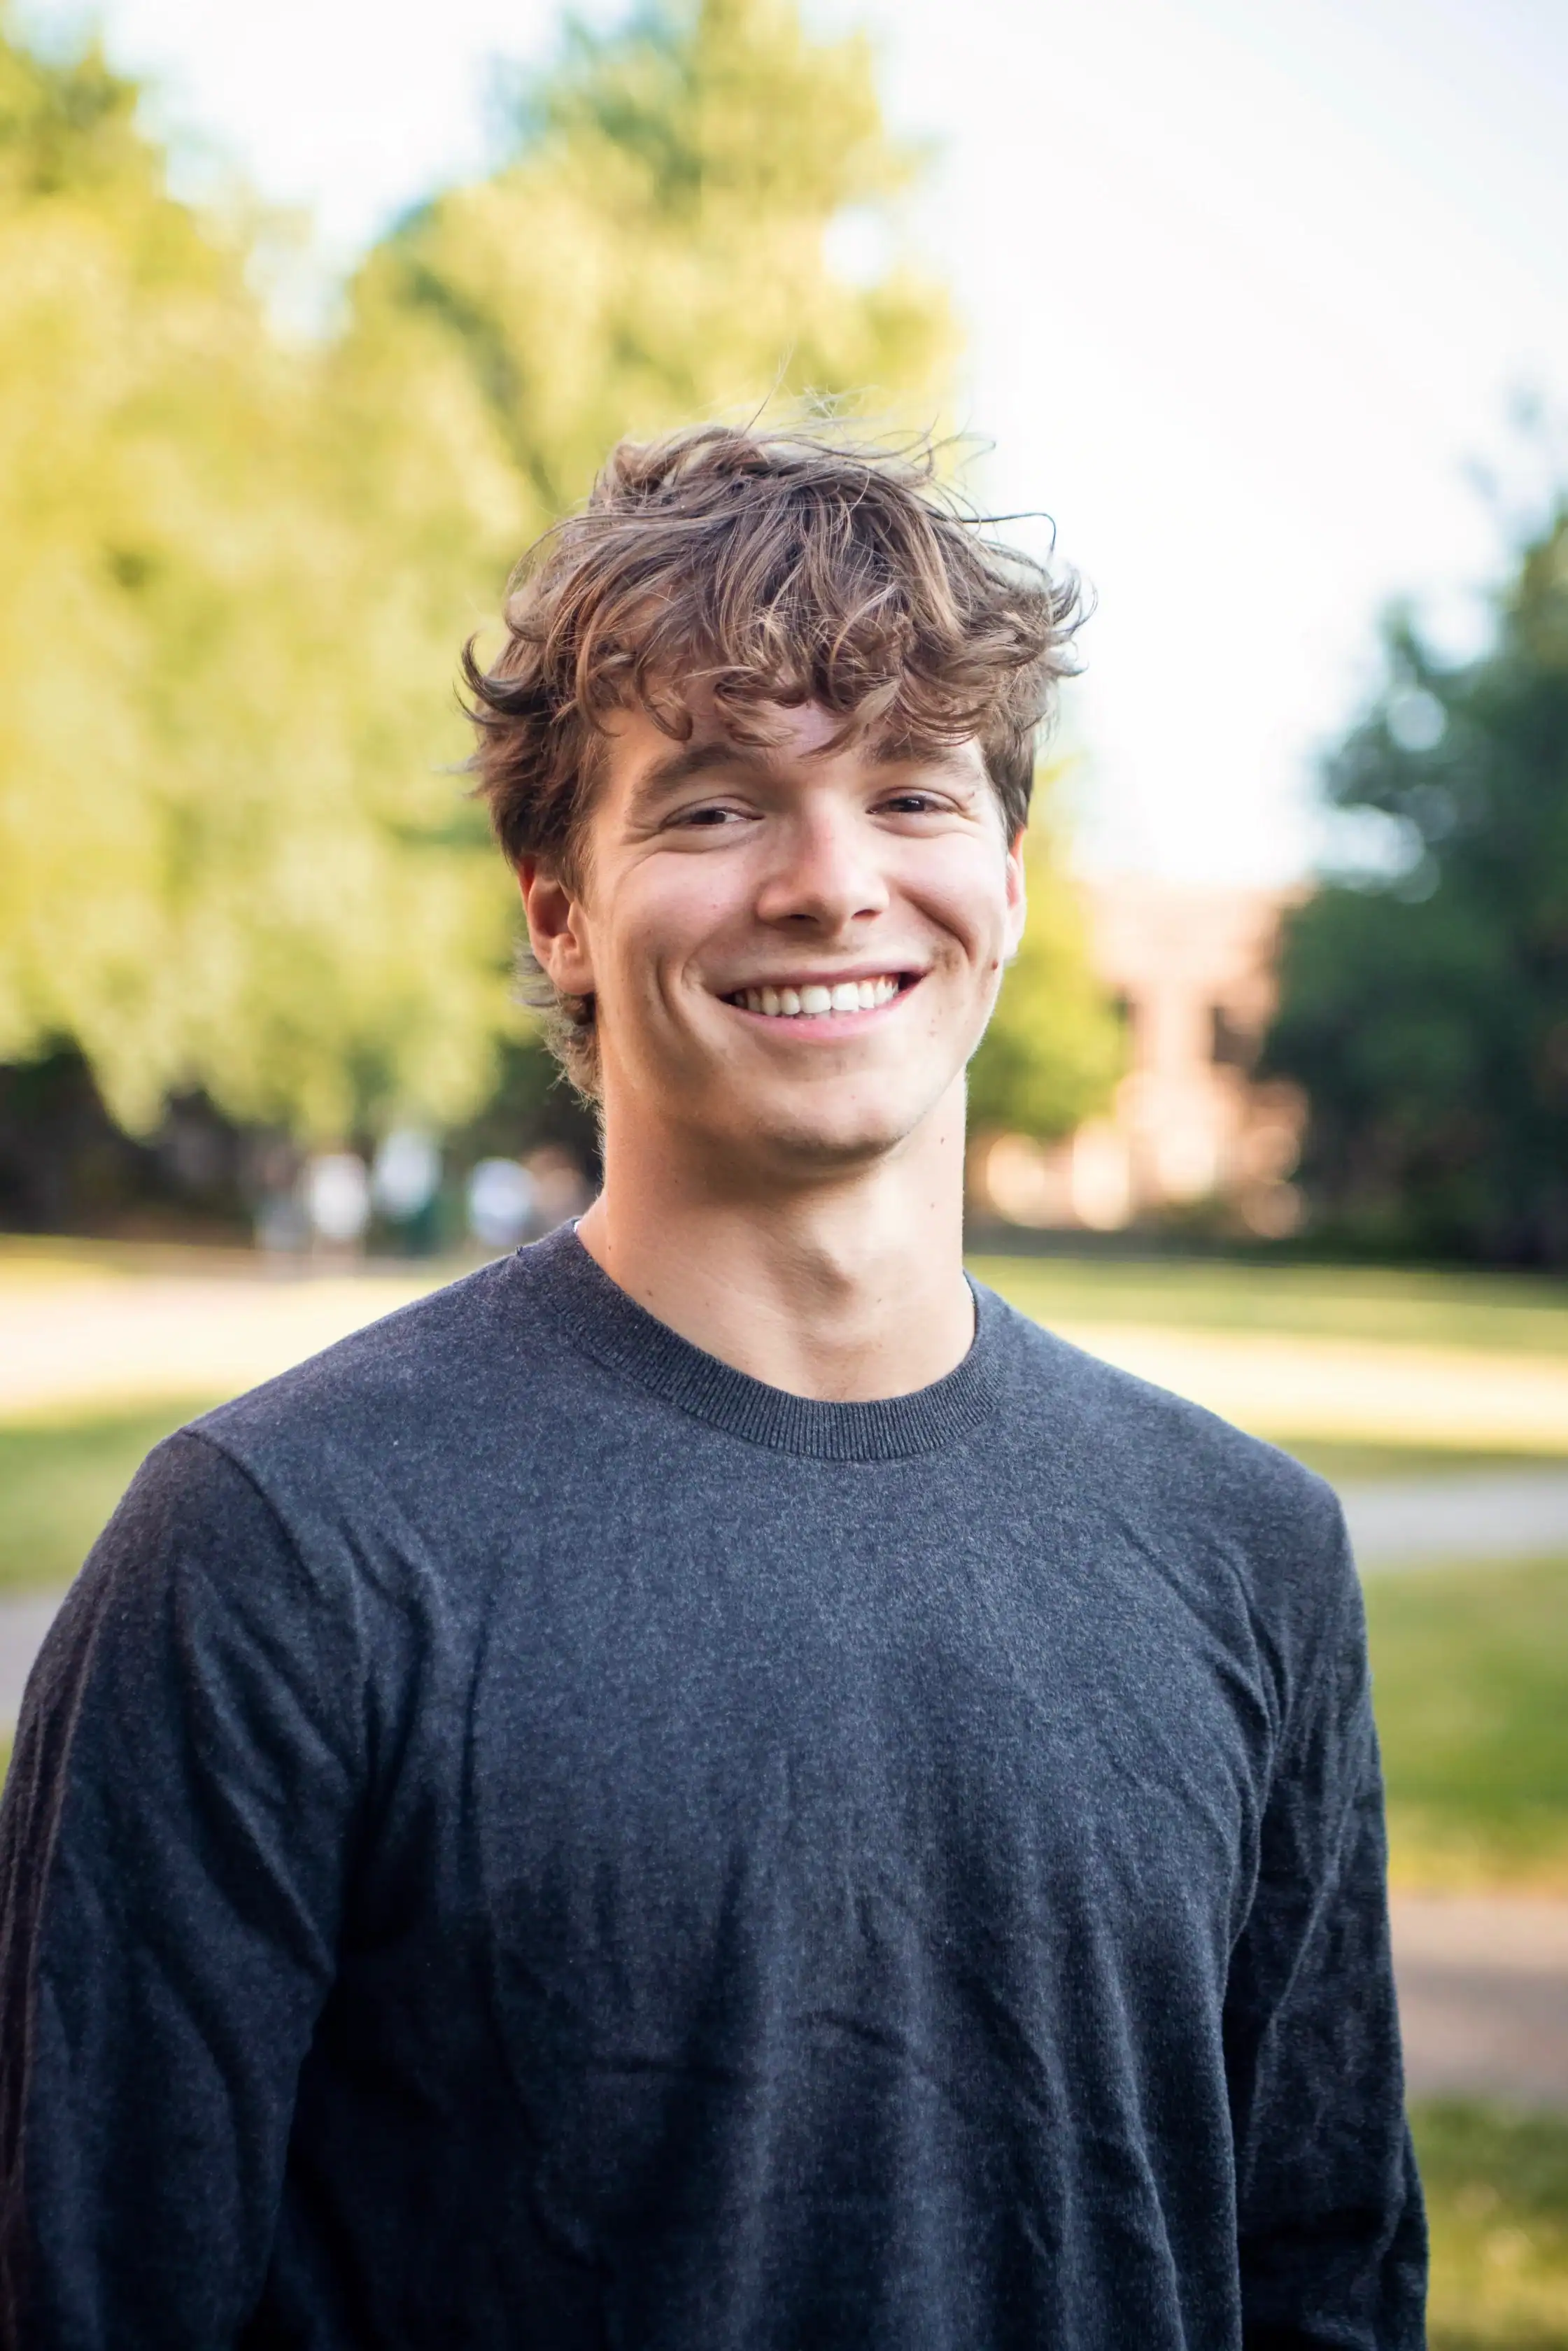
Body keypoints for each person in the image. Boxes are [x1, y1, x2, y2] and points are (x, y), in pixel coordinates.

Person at [0, 424, 1425, 2348]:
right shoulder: (279, 1555)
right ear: (556, 908)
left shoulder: (1251, 1550)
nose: (832, 885)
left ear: (1007, 878)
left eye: (910, 795)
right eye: (715, 807)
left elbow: (1328, 2273)